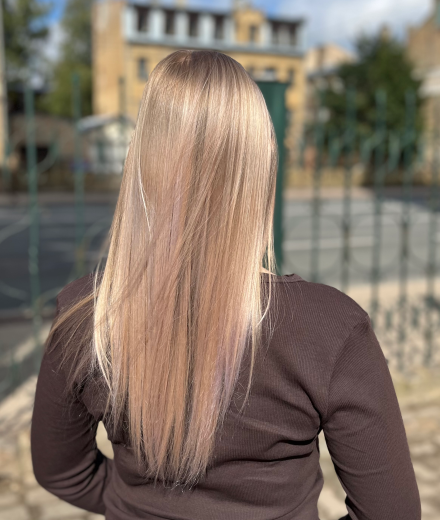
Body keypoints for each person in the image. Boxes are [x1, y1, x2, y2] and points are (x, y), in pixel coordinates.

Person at [30, 50, 421, 520]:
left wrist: (130, 505)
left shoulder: (87, 317)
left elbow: (61, 473)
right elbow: (393, 512)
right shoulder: (329, 328)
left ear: (140, 163)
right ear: (261, 168)